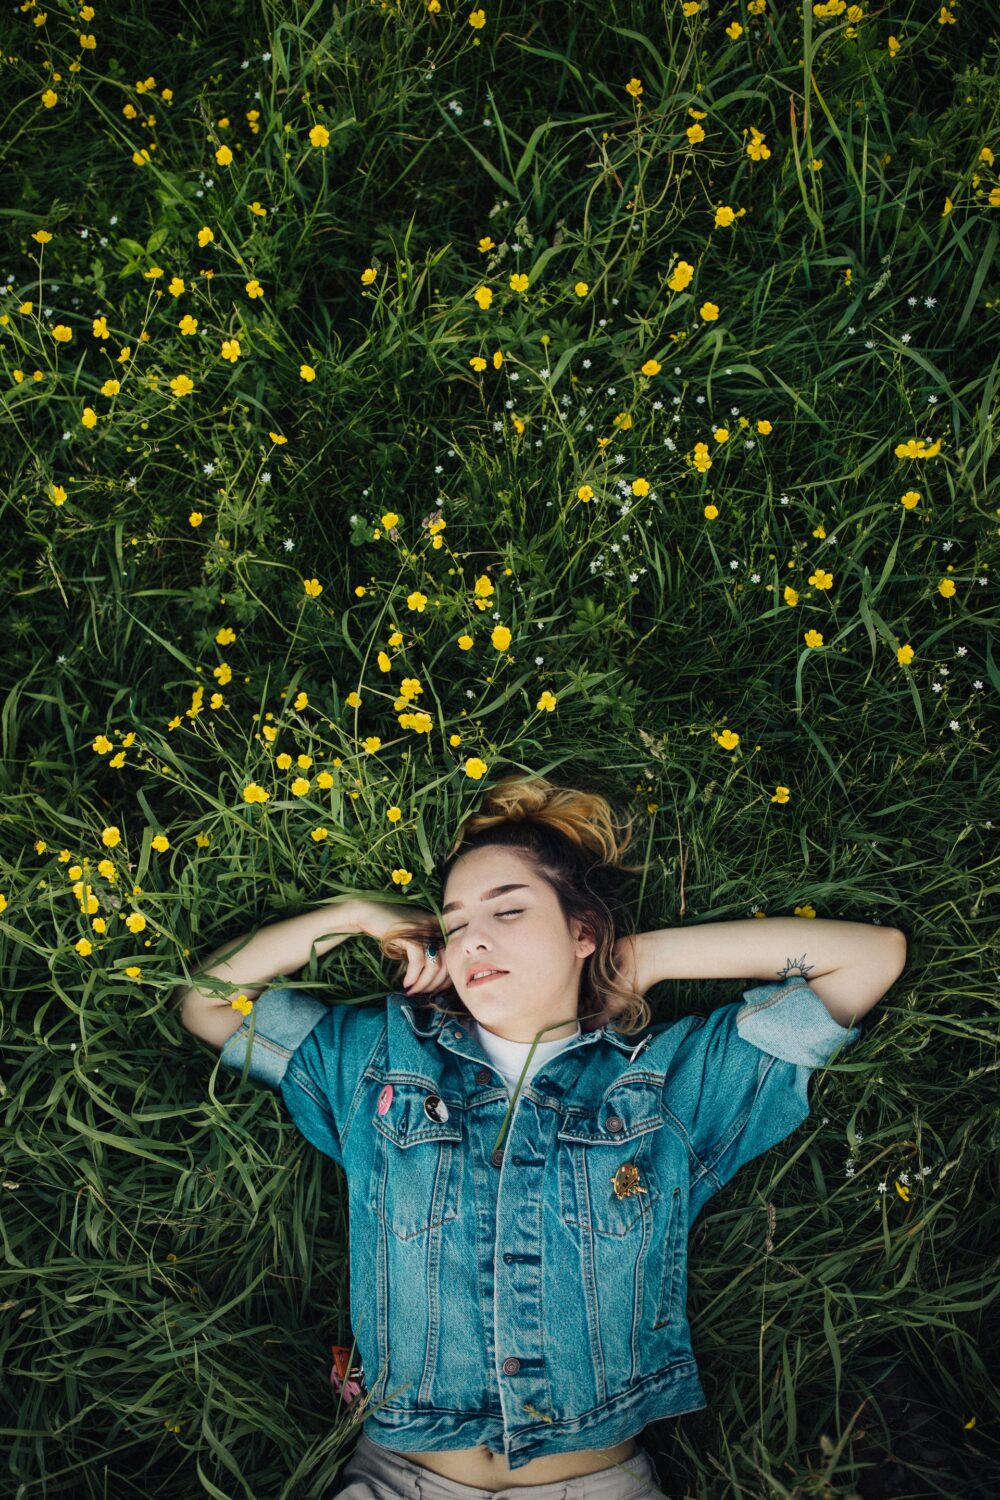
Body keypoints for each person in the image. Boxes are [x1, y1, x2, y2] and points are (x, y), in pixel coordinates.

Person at [177, 773, 900, 1499]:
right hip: (404, 1479)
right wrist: (359, 916)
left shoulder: (665, 1083)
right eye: (454, 923)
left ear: (582, 930)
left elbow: (871, 957)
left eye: (510, 911)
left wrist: (641, 959)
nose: (474, 939)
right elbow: (206, 1004)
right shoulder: (376, 1060)